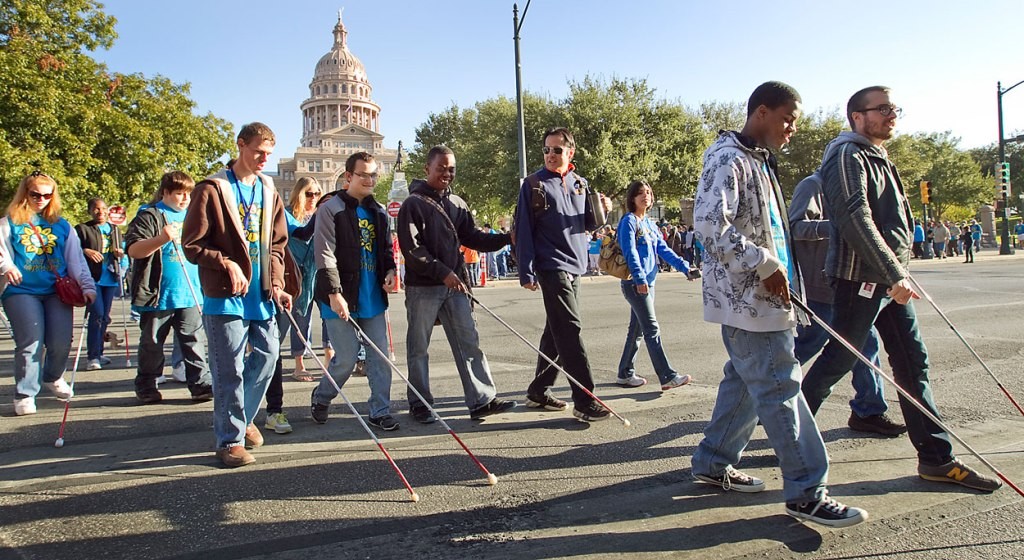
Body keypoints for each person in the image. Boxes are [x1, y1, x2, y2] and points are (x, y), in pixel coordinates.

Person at [801, 86, 1001, 493]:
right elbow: (854, 216)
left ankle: (936, 459)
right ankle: (791, 434)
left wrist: (898, 271)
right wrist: (895, 273)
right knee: (838, 361)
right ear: (857, 116)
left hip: (888, 279)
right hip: (862, 280)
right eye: (883, 109)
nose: (893, 115)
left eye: (895, 108)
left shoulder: (877, 155)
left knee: (912, 362)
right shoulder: (846, 154)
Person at [690, 81, 867, 528]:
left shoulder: (756, 159)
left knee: (747, 381)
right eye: (788, 119)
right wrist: (764, 263)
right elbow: (710, 226)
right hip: (748, 298)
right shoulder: (728, 157)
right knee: (779, 387)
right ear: (762, 112)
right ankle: (807, 490)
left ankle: (713, 461)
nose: (791, 129)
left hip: (761, 297)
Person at [182, 122, 291, 468]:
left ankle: (243, 419)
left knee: (268, 356)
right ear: (240, 145)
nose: (263, 159)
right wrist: (225, 262)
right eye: (258, 151)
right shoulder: (212, 189)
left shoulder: (268, 189)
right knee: (229, 369)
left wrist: (276, 282)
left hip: (260, 293)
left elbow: (277, 245)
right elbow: (192, 244)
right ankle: (229, 441)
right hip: (224, 295)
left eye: (268, 154)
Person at [397, 145, 516, 423]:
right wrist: (442, 272)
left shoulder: (458, 203)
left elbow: (473, 237)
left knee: (469, 342)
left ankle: (481, 399)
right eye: (441, 168)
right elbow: (412, 249)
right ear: (427, 169)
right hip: (423, 287)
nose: (447, 173)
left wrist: (506, 238)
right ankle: (420, 402)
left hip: (455, 285)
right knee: (418, 348)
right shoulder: (412, 204)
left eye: (451, 169)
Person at [789, 171, 906, 436]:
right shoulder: (813, 185)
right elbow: (794, 226)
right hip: (821, 289)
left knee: (867, 347)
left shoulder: (856, 190)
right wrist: (837, 226)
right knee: (805, 347)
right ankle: (760, 399)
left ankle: (869, 410)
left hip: (852, 287)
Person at [513, 127, 613, 422]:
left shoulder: (580, 184)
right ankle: (585, 399)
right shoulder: (533, 184)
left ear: (571, 152)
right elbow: (523, 230)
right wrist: (525, 270)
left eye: (557, 150)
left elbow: (587, 224)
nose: (550, 155)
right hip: (550, 264)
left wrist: (603, 211)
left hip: (576, 264)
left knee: (555, 332)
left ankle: (538, 390)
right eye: (546, 149)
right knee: (570, 328)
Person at [310, 152, 400, 431]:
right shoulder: (330, 208)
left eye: (374, 174)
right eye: (364, 175)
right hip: (339, 295)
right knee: (346, 358)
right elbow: (324, 254)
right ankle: (322, 396)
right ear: (349, 177)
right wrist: (334, 293)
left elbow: (386, 249)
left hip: (372, 296)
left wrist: (389, 271)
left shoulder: (380, 210)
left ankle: (380, 409)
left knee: (379, 357)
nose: (370, 180)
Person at [0, 171, 96, 416]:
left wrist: (87, 286)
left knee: (61, 341)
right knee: (31, 340)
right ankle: (25, 392)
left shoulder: (62, 225)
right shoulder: (9, 221)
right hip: (21, 289)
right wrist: (7, 267)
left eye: (46, 194)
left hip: (56, 289)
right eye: (35, 194)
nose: (40, 199)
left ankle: (52, 376)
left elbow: (75, 260)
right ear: (25, 194)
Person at [125, 171, 212, 404]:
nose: (184, 199)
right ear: (165, 192)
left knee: (193, 339)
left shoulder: (195, 215)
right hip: (158, 293)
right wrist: (161, 239)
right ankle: (147, 384)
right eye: (179, 194)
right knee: (152, 342)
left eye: (188, 194)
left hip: (191, 291)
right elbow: (134, 250)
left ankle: (200, 383)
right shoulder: (150, 216)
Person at [615, 180, 694, 390]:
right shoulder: (629, 221)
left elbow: (664, 249)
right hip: (635, 284)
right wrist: (640, 279)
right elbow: (630, 252)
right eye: (640, 193)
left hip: (649, 283)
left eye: (648, 193)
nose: (645, 196)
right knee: (652, 329)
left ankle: (625, 373)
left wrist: (685, 267)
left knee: (637, 330)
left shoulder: (649, 224)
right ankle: (667, 376)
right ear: (632, 198)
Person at [76, 197, 127, 371]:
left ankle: (99, 352)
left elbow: (123, 251)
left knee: (104, 316)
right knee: (96, 314)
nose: (101, 212)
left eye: (104, 209)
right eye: (96, 209)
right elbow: (72, 250)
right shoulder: (83, 229)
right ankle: (92, 356)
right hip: (92, 278)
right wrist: (86, 251)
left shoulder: (114, 230)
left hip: (110, 277)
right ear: (90, 211)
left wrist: (121, 254)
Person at [282, 176, 324, 382]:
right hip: (297, 273)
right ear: (299, 193)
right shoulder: (287, 214)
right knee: (301, 318)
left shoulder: (320, 213)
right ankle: (299, 363)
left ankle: (329, 359)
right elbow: (303, 234)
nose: (314, 197)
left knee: (329, 316)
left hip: (320, 270)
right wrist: (320, 214)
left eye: (317, 193)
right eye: (309, 193)